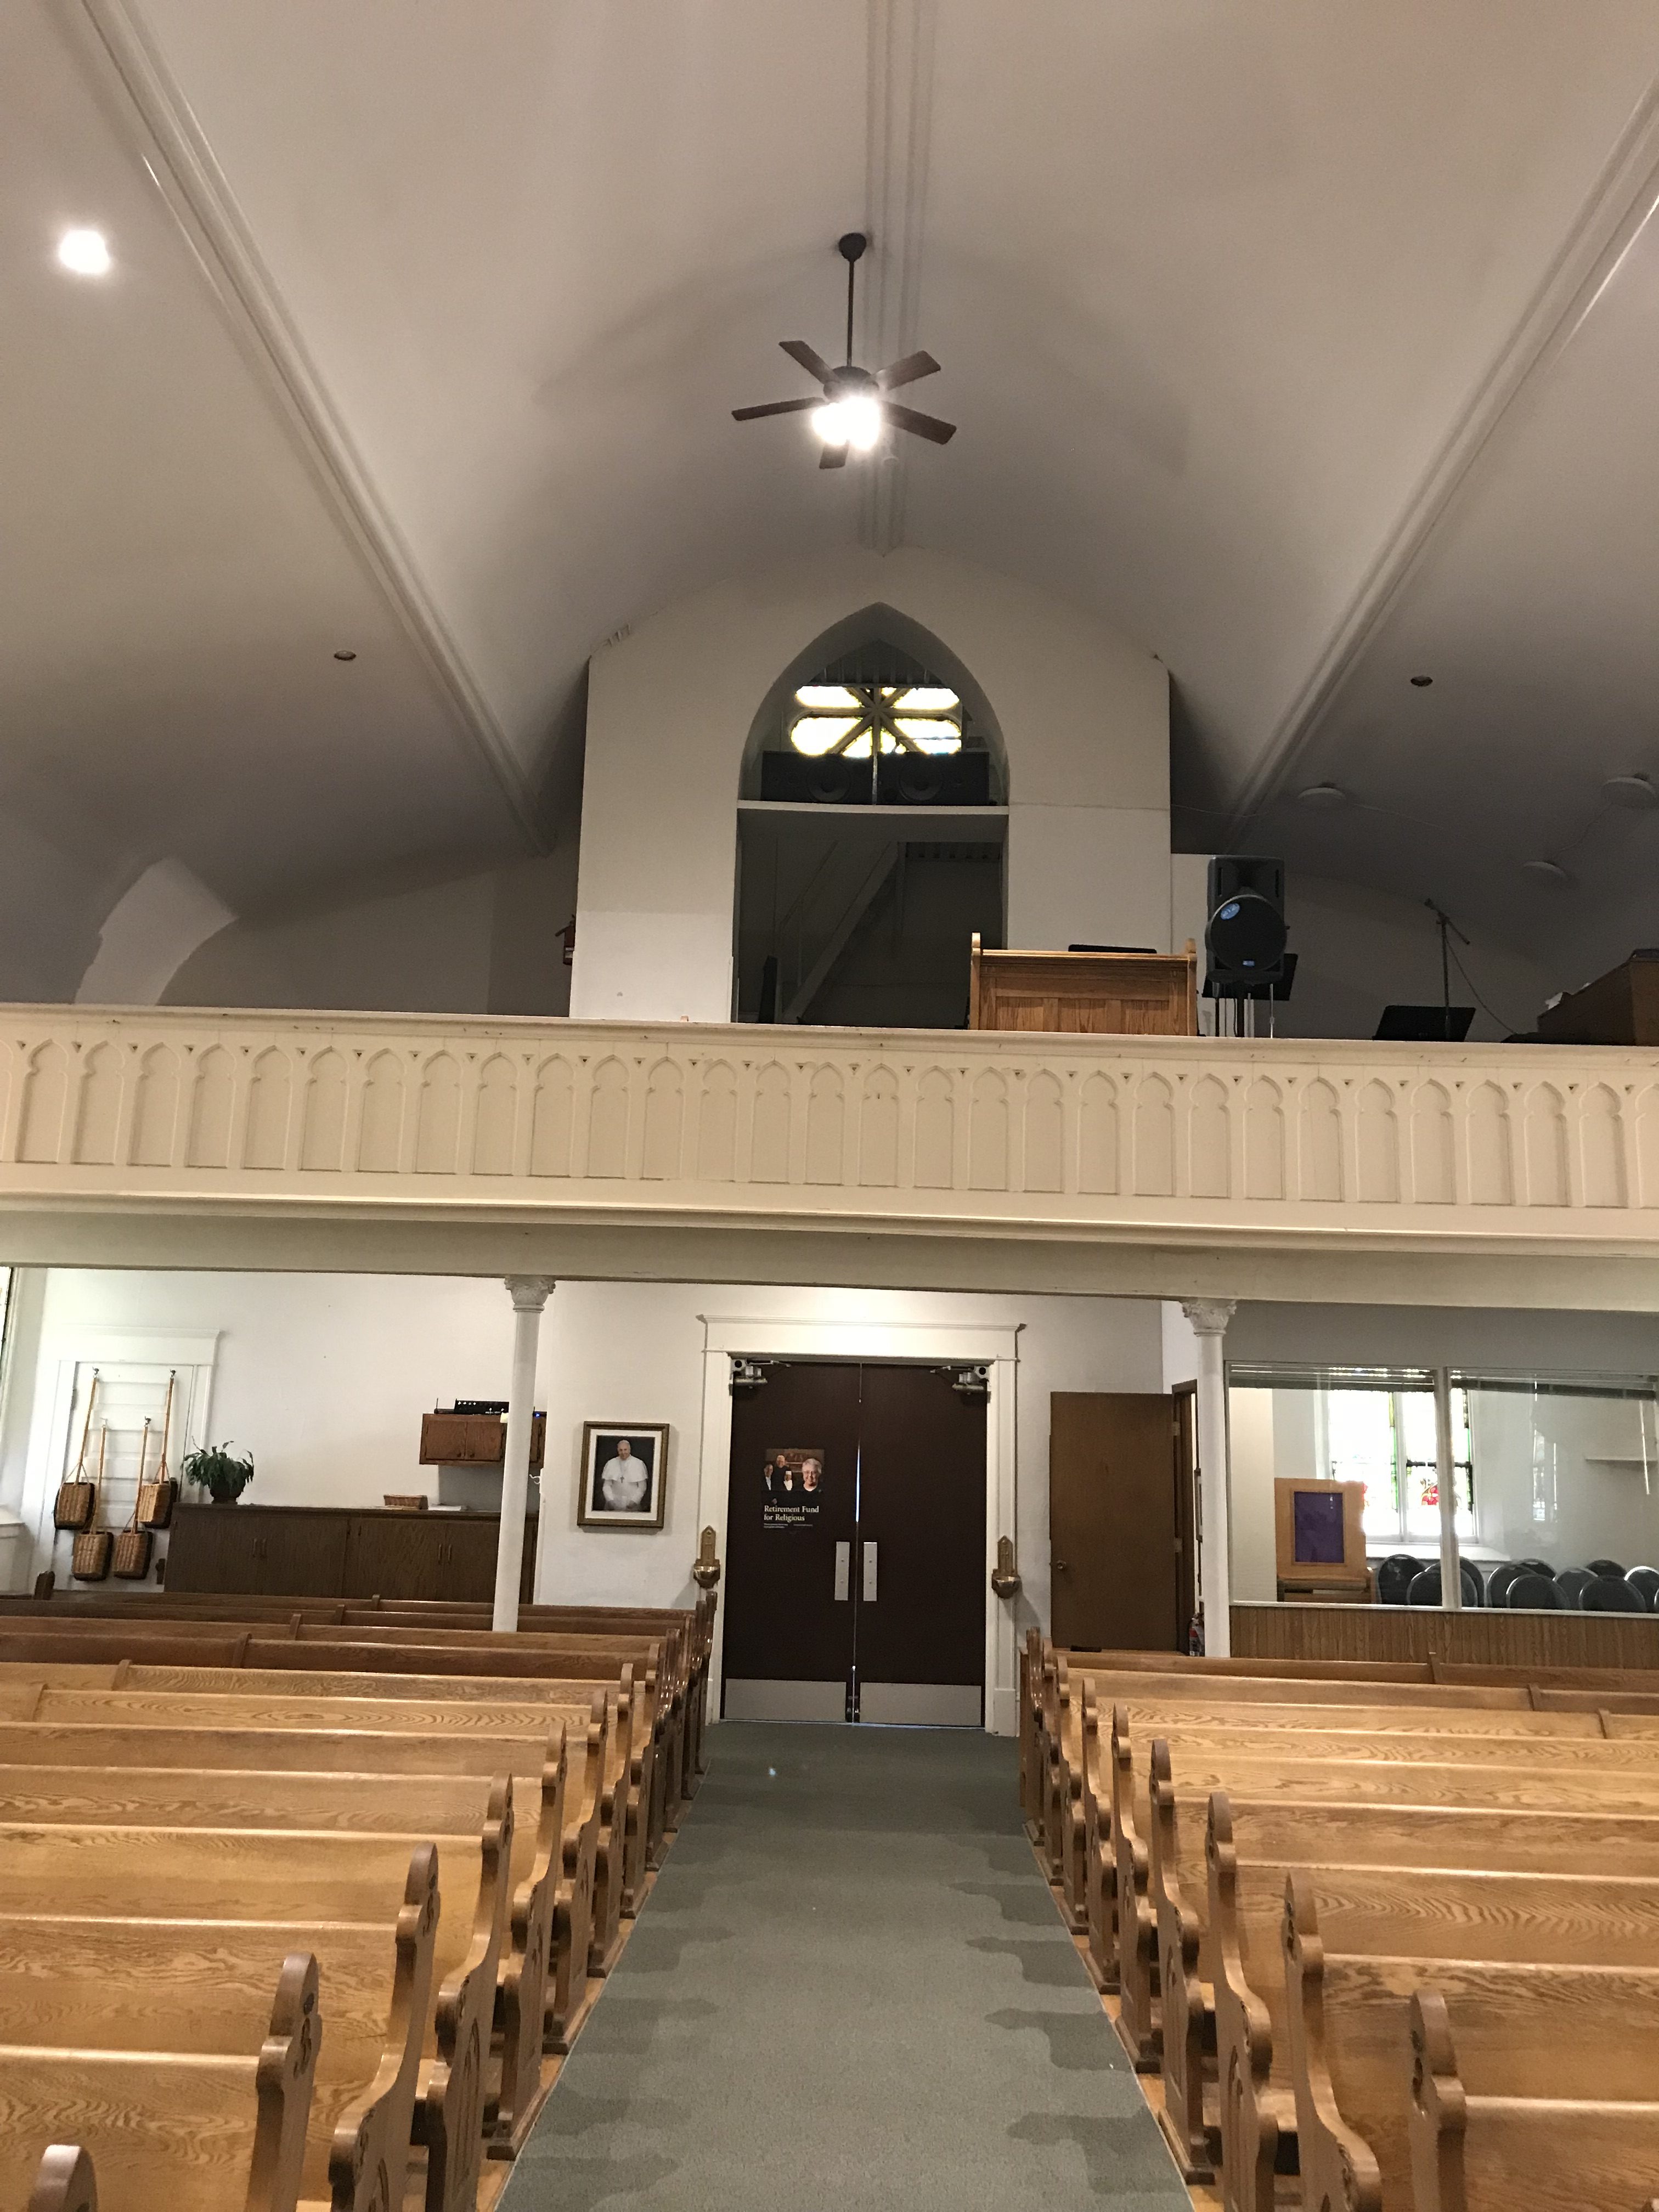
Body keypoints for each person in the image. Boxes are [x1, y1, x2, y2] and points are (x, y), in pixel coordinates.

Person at [597, 1436, 649, 1511]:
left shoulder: (639, 1463)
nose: (623, 1452)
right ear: (618, 1450)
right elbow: (607, 1486)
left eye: (625, 1450)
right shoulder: (611, 1463)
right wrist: (610, 1500)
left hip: (632, 1503)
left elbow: (642, 1487)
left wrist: (634, 1501)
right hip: (614, 1503)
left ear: (630, 1450)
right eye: (621, 1450)